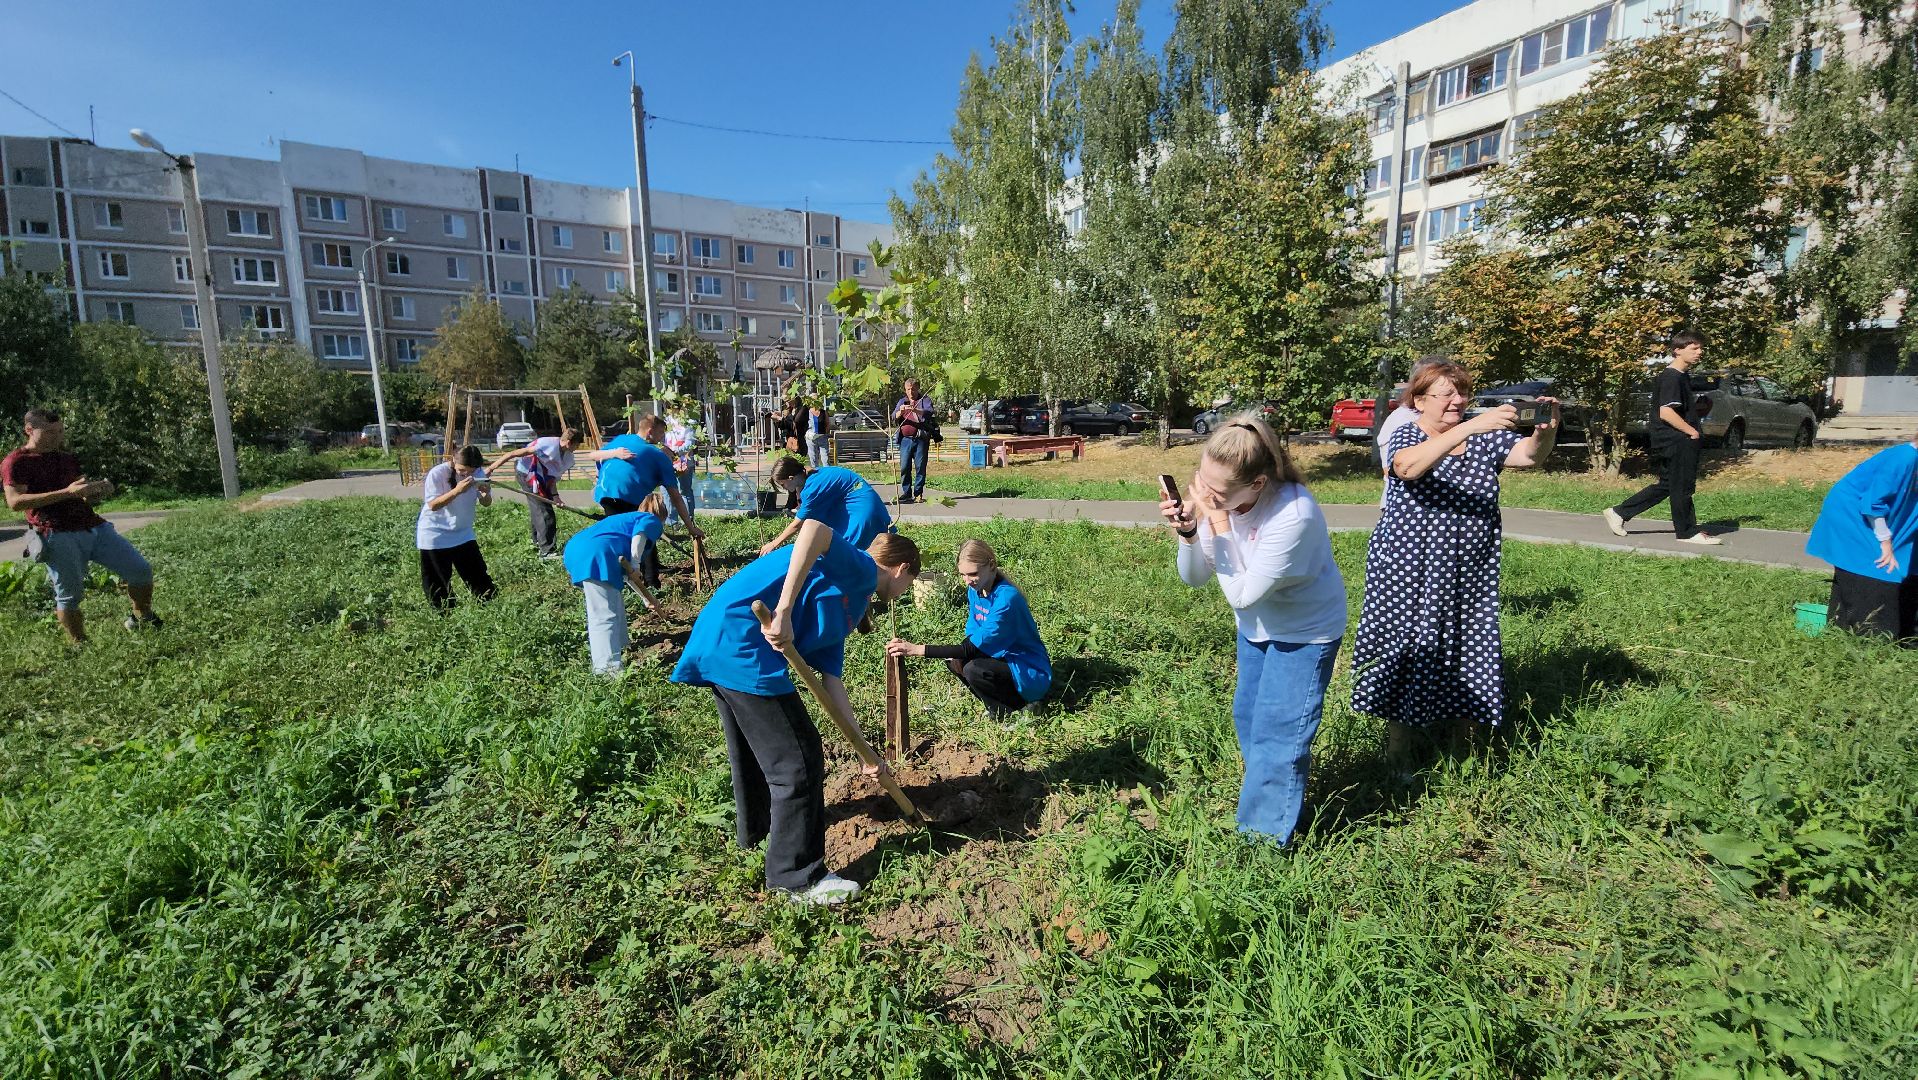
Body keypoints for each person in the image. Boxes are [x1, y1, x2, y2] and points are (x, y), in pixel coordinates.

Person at [670, 529, 923, 906]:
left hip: (721, 641)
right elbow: (816, 530)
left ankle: (758, 835)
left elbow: (832, 683)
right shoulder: (862, 568)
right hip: (742, 645)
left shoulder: (849, 604)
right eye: (909, 584)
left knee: (759, 753)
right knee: (798, 761)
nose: (902, 594)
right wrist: (784, 610)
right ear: (901, 569)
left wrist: (864, 751)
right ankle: (797, 878)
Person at [1350, 360, 1559, 757]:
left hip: (1469, 570)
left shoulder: (1483, 438)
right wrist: (1467, 427)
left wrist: (1544, 432)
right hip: (1408, 569)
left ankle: (1465, 750)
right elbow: (1406, 467)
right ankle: (1397, 754)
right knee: (1408, 648)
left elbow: (1529, 457)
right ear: (1419, 399)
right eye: (1446, 394)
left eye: (1462, 393)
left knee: (1469, 647)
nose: (1457, 401)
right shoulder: (1405, 429)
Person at [1157, 413, 1347, 843]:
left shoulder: (1293, 514)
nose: (1204, 495)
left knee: (1279, 734)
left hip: (1304, 631)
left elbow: (1242, 594)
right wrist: (1189, 533)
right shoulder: (1219, 497)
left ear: (1258, 484)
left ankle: (1260, 843)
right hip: (1257, 629)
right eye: (1201, 482)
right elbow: (1197, 577)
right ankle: (1274, 799)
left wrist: (1217, 521)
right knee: (1249, 719)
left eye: (1217, 490)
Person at [2, 408, 160, 643]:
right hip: (56, 533)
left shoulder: (65, 457)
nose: (58, 437)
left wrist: (94, 492)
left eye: (61, 431)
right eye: (50, 432)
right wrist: (67, 492)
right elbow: (15, 502)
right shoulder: (16, 462)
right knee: (69, 595)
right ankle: (80, 644)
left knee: (140, 570)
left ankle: (142, 619)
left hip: (93, 526)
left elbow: (78, 494)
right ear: (28, 430)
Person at [887, 540, 1052, 719]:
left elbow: (970, 648)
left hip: (1027, 671)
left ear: (991, 566)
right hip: (1003, 658)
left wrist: (917, 649)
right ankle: (998, 706)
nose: (967, 581)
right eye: (962, 575)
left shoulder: (1006, 599)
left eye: (972, 574)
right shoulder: (976, 590)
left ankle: (1019, 709)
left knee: (973, 669)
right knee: (955, 660)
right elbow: (972, 637)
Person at [1604, 330, 1721, 545]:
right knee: (1683, 486)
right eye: (1694, 348)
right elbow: (1665, 412)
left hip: (1674, 439)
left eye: (1700, 348)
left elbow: (1677, 409)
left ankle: (1619, 512)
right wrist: (1691, 431)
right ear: (1677, 350)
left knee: (1669, 485)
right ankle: (1686, 532)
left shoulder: (1681, 376)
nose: (1699, 352)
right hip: (1676, 440)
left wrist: (1697, 413)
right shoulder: (1671, 377)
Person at [1805, 435, 1918, 644]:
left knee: (1908, 571)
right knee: (1877, 573)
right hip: (1856, 516)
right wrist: (1885, 543)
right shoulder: (1903, 458)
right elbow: (1873, 502)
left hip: (1897, 520)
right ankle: (1868, 641)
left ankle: (1905, 636)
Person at [594, 414, 703, 588]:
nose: (662, 438)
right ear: (650, 431)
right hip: (623, 496)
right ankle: (645, 581)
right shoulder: (658, 456)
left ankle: (645, 572)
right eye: (661, 434)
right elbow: (676, 496)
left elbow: (596, 455)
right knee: (640, 534)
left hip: (604, 493)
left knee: (639, 531)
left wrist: (610, 458)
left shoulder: (623, 439)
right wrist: (690, 527)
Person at [493, 427, 636, 559]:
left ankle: (538, 541)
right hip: (527, 473)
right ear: (569, 443)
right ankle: (547, 550)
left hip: (542, 478)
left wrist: (556, 496)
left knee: (539, 508)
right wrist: (490, 468)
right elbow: (512, 453)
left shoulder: (567, 457)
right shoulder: (545, 445)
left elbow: (552, 478)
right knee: (545, 512)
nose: (577, 448)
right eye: (576, 445)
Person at [562, 494, 666, 674]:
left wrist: (645, 598)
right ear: (661, 515)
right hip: (597, 553)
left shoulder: (625, 522)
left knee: (612, 600)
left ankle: (620, 644)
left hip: (578, 550)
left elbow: (629, 577)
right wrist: (635, 564)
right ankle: (607, 670)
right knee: (603, 614)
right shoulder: (649, 519)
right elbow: (640, 535)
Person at [416, 445, 500, 610]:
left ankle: (491, 607)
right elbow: (433, 505)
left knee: (479, 576)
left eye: (471, 471)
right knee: (438, 581)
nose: (466, 474)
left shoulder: (478, 474)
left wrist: (485, 494)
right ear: (453, 460)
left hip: (463, 533)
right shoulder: (437, 473)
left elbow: (486, 503)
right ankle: (444, 615)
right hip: (435, 534)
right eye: (462, 470)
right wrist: (457, 491)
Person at [758, 457, 893, 556]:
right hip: (866, 506)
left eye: (783, 484)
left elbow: (798, 523)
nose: (784, 488)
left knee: (849, 556)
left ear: (791, 478)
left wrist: (774, 543)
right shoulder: (814, 475)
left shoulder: (813, 488)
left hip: (863, 513)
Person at [894, 379, 935, 504]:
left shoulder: (924, 400)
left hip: (920, 440)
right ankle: (906, 493)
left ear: (917, 389)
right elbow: (893, 416)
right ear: (905, 389)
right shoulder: (902, 401)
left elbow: (929, 412)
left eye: (913, 389)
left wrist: (916, 410)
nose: (910, 391)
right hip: (905, 440)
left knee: (920, 467)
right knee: (904, 467)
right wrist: (900, 411)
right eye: (908, 389)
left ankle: (918, 493)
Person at [806, 403, 832, 468]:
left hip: (822, 437)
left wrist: (825, 433)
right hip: (811, 437)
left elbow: (827, 423)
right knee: (813, 458)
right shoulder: (807, 412)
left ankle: (827, 474)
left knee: (825, 458)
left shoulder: (823, 412)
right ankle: (816, 473)